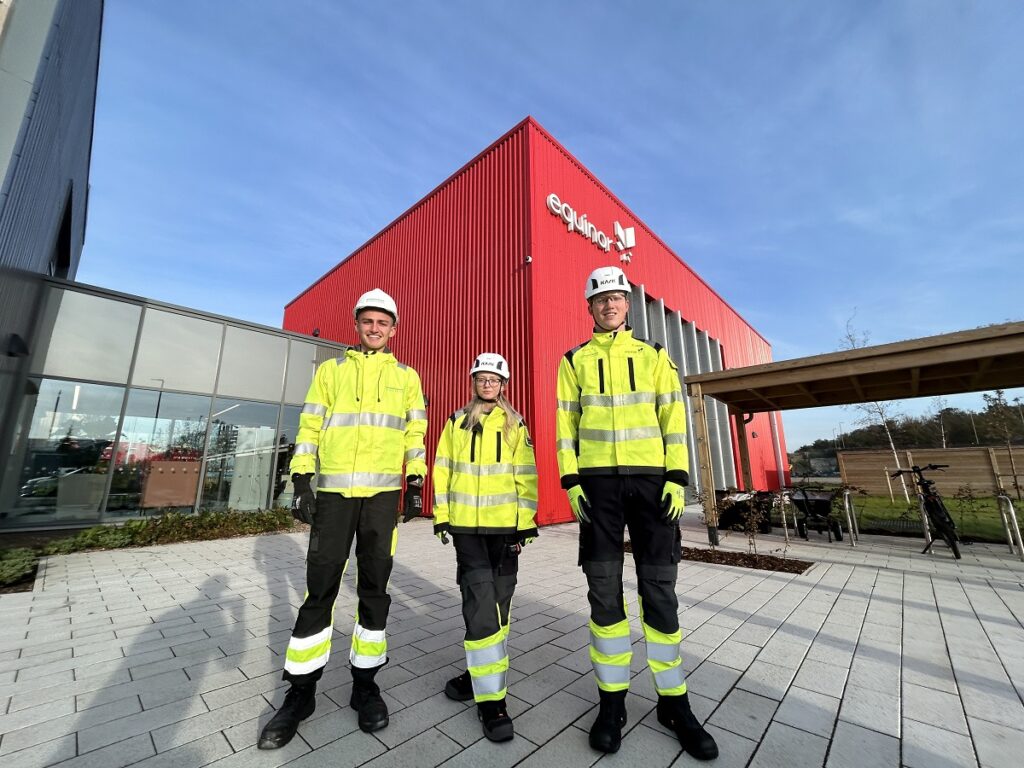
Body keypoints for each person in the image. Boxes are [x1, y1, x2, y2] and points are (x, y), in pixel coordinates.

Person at [555, 266, 718, 760]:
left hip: (652, 486)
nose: (609, 305)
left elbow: (673, 415)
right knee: (604, 591)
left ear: (628, 305)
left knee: (659, 590)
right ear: (590, 307)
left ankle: (674, 703)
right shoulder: (574, 360)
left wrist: (676, 476)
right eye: (601, 299)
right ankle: (612, 703)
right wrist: (570, 477)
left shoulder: (655, 356)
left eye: (617, 298)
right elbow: (567, 423)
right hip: (598, 488)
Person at [258, 288, 427, 749]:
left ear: (394, 329)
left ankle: (365, 684)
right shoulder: (330, 372)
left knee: (374, 590)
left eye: (383, 323)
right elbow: (310, 424)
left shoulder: (406, 377)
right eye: (367, 321)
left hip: (381, 498)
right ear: (357, 325)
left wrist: (415, 482)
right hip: (333, 495)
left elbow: (416, 430)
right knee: (321, 590)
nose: (375, 329)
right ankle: (301, 693)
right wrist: (300, 478)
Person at [432, 353, 538, 742]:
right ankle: (492, 702)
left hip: (505, 530)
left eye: (494, 378)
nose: (487, 383)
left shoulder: (515, 424)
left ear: (504, 384)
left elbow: (526, 474)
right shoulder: (456, 421)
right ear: (473, 381)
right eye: (482, 377)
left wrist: (526, 523)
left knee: (500, 602)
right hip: (467, 530)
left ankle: (478, 672)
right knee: (479, 601)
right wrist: (441, 514)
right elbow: (442, 467)